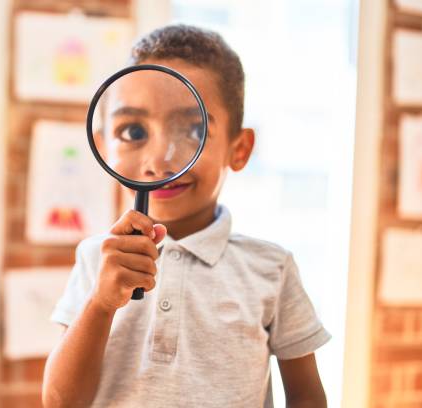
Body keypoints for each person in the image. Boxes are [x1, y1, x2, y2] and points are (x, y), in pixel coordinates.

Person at [42, 24, 330, 408]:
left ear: (239, 148)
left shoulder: (271, 269)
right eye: (132, 131)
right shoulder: (96, 260)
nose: (160, 160)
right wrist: (100, 304)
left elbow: (307, 396)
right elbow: (61, 402)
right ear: (103, 146)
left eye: (194, 129)